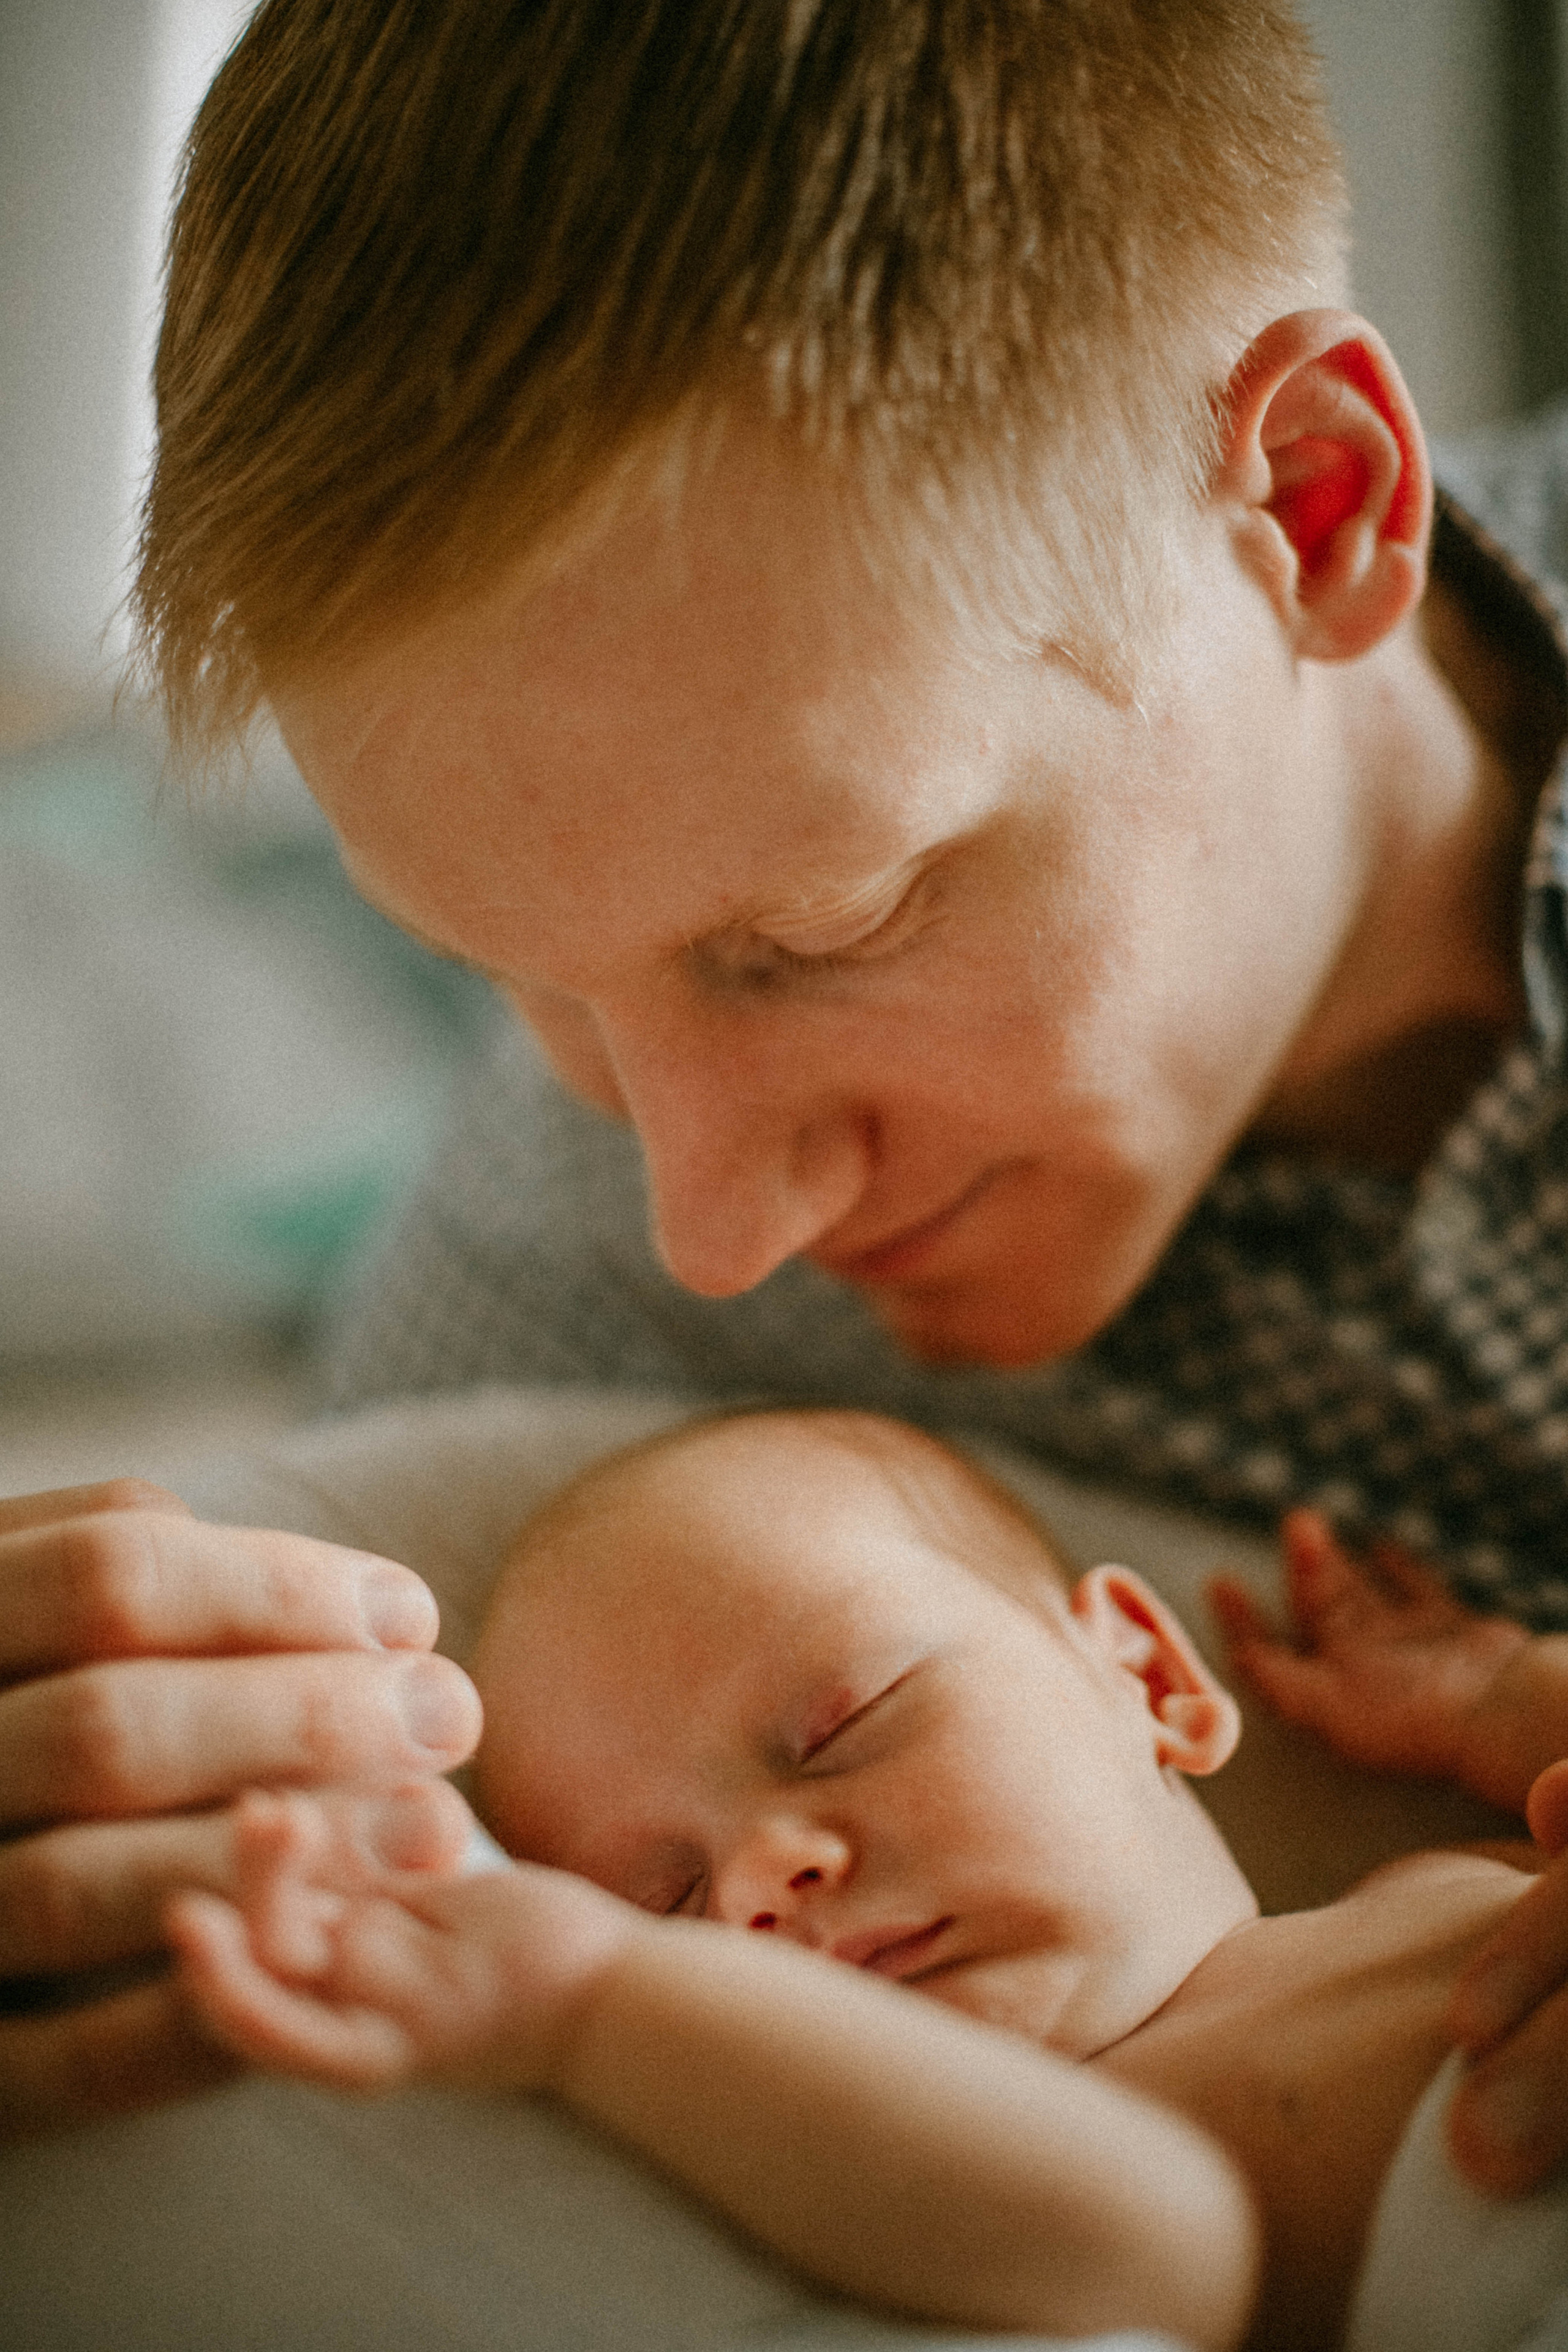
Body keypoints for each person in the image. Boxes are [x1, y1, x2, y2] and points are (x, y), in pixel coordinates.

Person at [4, 0, 1567, 2181]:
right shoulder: (555, 1306)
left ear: (1314, 510)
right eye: (509, 978)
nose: (711, 1231)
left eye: (818, 933)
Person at [164, 1409, 1568, 2352]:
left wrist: (1506, 1697)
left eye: (842, 1726)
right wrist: (592, 1997)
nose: (767, 1878)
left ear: (1142, 1673)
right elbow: (1154, 2255)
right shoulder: (1101, 2129)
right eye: (668, 1899)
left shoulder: (1430, 1857)